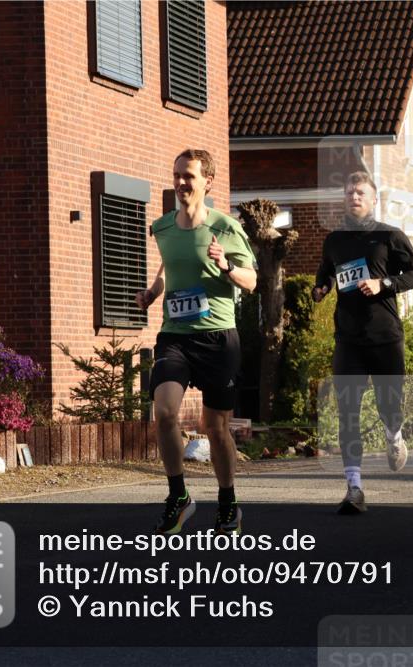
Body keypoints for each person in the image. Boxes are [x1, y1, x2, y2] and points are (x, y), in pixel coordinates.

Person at [137, 149, 258, 535]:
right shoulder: (163, 228)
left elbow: (252, 281)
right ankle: (179, 496)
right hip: (176, 335)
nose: (180, 183)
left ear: (207, 182)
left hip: (218, 337)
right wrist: (154, 290)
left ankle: (228, 501)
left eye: (188, 176)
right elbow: (168, 263)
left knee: (214, 427)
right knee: (166, 411)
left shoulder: (225, 227)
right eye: (176, 175)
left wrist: (226, 267)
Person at [313, 171, 413, 514]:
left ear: (374, 199)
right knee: (348, 412)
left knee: (389, 406)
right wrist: (321, 288)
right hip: (348, 339)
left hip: (385, 336)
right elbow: (326, 271)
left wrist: (384, 284)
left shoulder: (389, 236)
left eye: (360, 192)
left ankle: (394, 435)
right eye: (349, 193)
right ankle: (354, 487)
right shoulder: (334, 240)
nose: (354, 197)